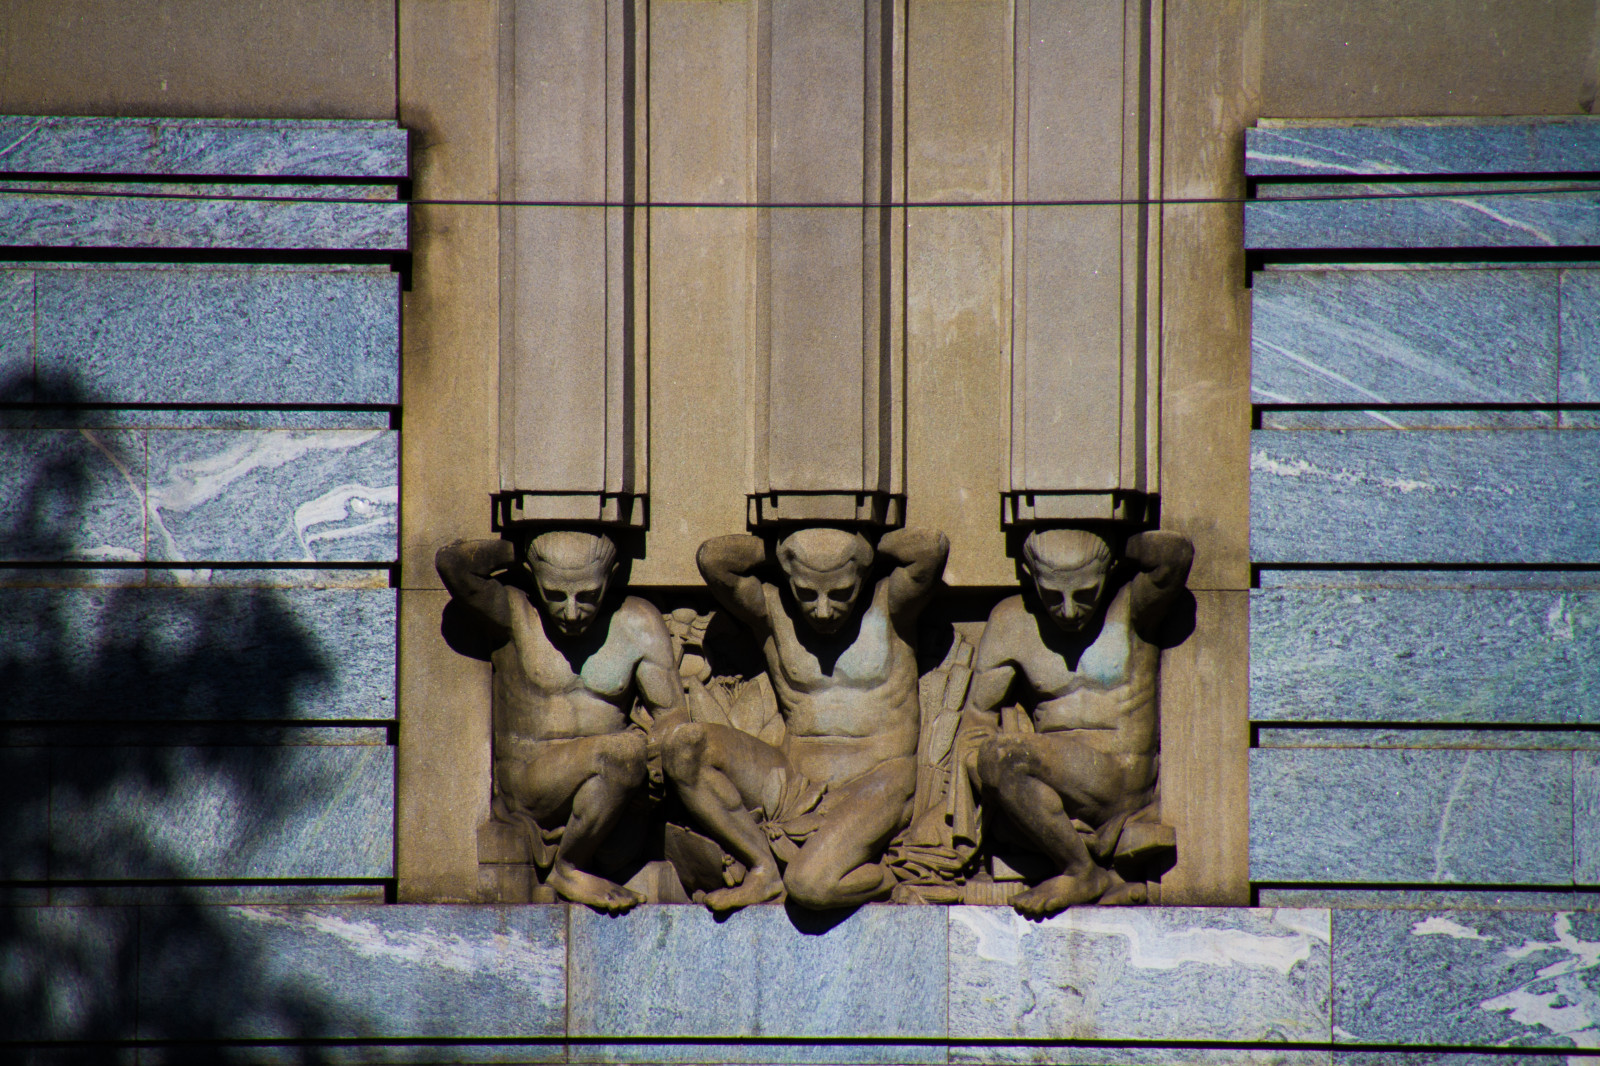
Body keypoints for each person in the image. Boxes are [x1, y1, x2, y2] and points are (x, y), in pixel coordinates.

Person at [657, 526, 948, 911]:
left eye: (840, 592)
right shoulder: (772, 611)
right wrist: (784, 551)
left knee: (810, 886)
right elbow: (713, 559)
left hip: (880, 781)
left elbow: (930, 549)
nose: (823, 609)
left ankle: (891, 879)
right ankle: (763, 869)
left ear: (862, 576)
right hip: (794, 781)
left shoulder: (891, 605)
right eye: (808, 593)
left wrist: (860, 547)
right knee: (685, 748)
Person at [436, 530, 684, 912]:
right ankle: (567, 869)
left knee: (628, 761)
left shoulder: (638, 623)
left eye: (587, 595)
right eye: (555, 594)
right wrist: (519, 550)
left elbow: (672, 715)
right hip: (533, 783)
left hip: (616, 789)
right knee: (622, 752)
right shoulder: (513, 612)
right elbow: (453, 564)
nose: (570, 611)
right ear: (534, 579)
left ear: (612, 576)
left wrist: (655, 761)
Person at [959, 527, 1191, 917]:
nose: (1068, 610)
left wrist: (1118, 543)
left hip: (1120, 778)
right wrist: (994, 783)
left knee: (1002, 756)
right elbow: (975, 723)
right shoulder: (1011, 621)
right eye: (1053, 595)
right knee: (996, 758)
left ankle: (1082, 872)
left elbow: (1175, 554)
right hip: (1046, 785)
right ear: (1030, 577)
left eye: (1085, 593)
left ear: (1109, 572)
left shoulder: (1133, 606)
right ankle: (1088, 866)